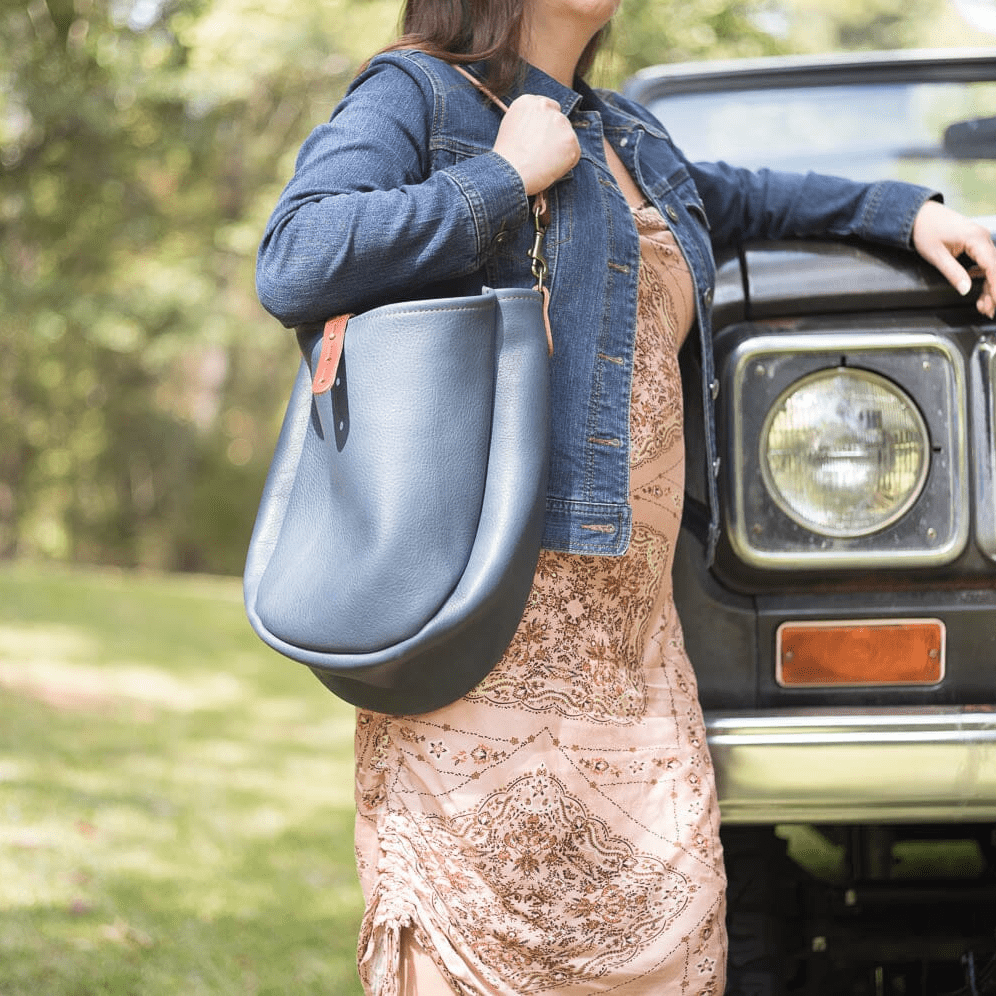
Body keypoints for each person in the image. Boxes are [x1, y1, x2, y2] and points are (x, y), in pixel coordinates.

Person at [256, 0, 996, 990]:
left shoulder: (628, 137)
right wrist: (504, 179)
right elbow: (298, 256)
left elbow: (753, 199)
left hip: (638, 646)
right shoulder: (418, 94)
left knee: (670, 948)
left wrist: (907, 211)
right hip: (490, 627)